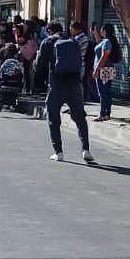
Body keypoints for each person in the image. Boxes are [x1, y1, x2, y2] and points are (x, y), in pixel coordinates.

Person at [36, 22, 95, 164]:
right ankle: (85, 149)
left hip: (56, 85)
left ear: (49, 31)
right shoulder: (73, 41)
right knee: (80, 118)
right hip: (74, 85)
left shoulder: (47, 42)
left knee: (53, 118)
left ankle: (58, 152)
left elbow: (39, 66)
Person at [92, 23, 118, 121]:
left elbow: (104, 57)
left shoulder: (107, 42)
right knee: (105, 91)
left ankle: (104, 113)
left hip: (104, 70)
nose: (101, 32)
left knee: (103, 92)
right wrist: (94, 32)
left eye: (102, 30)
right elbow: (99, 42)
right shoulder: (105, 41)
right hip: (106, 69)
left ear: (105, 31)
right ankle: (106, 112)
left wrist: (97, 69)